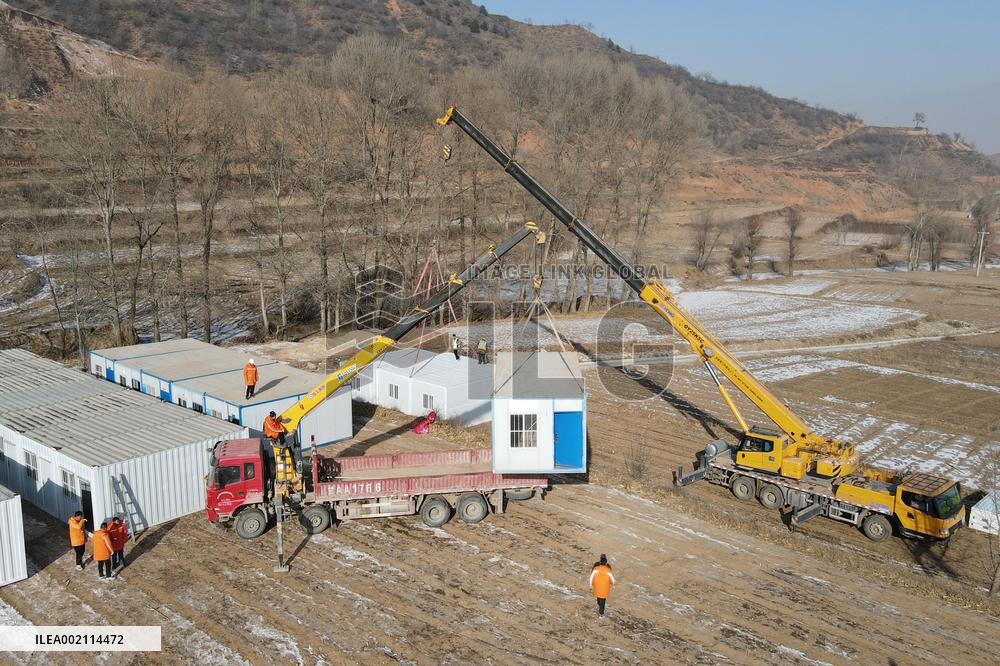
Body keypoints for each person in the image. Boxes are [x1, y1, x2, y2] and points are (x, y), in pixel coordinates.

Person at [589, 554, 615, 619]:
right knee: (603, 600)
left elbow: (592, 575)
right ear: (606, 561)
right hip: (605, 587)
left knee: (599, 598)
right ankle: (601, 614)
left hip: (597, 585)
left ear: (600, 559)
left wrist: (591, 584)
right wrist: (611, 583)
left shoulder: (596, 567)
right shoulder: (608, 568)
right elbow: (612, 579)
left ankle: (600, 607)